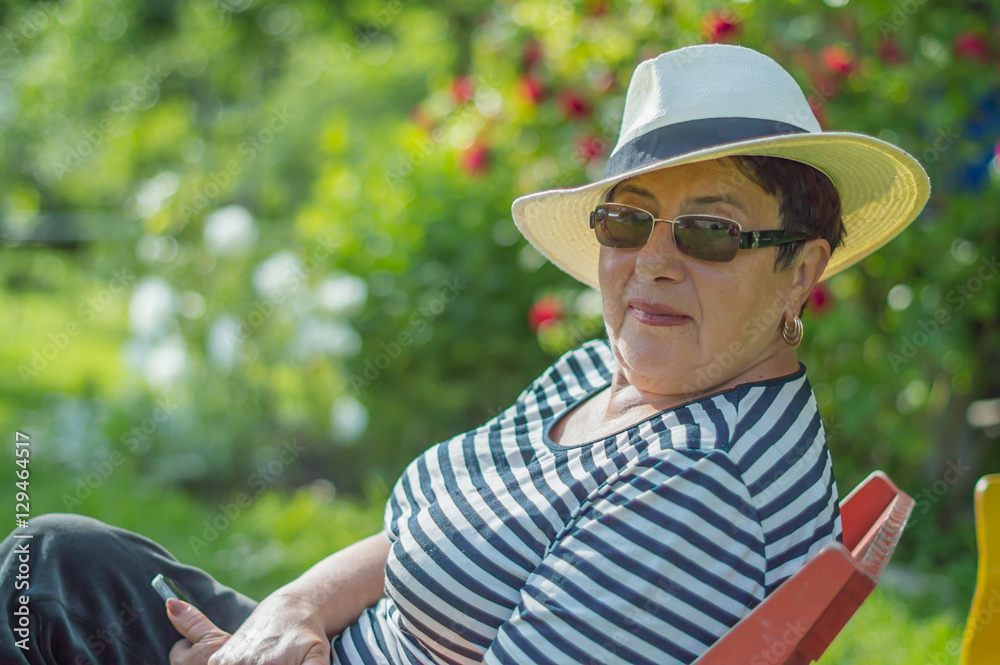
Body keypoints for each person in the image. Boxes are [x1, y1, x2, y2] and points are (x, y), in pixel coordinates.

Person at [0, 43, 930, 665]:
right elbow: (427, 533)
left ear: (801, 266)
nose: (652, 261)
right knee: (50, 563)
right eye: (626, 219)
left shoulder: (698, 483)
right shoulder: (621, 371)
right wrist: (294, 609)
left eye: (710, 232)